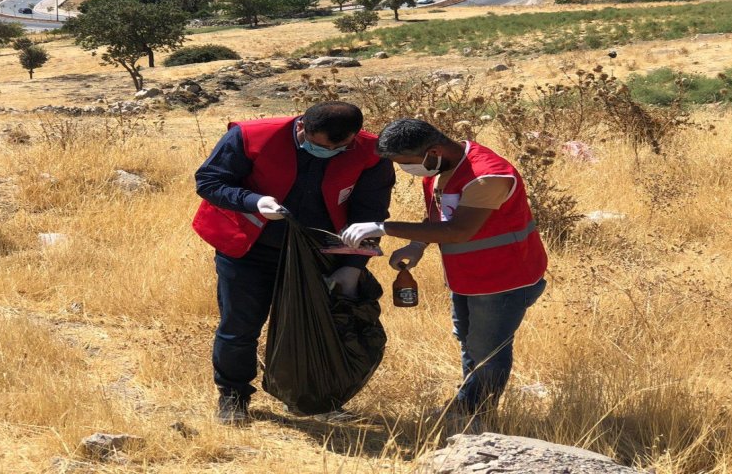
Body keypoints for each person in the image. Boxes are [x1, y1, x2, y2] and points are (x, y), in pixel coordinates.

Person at [193, 102, 395, 424]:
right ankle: (233, 397)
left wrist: (354, 265)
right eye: (320, 145)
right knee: (239, 327)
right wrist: (254, 201)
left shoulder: (370, 153)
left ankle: (311, 399)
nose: (327, 153)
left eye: (339, 148)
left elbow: (370, 212)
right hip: (250, 248)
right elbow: (210, 182)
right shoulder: (251, 136)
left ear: (354, 137)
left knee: (317, 326)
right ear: (302, 127)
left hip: (321, 253)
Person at [340, 119, 548, 428]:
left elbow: (459, 229)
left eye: (405, 163)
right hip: (469, 277)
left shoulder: (486, 177)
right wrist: (417, 244)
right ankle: (467, 405)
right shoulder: (442, 167)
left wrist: (384, 227)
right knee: (468, 341)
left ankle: (479, 417)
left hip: (503, 279)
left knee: (488, 351)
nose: (404, 170)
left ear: (433, 151)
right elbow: (439, 216)